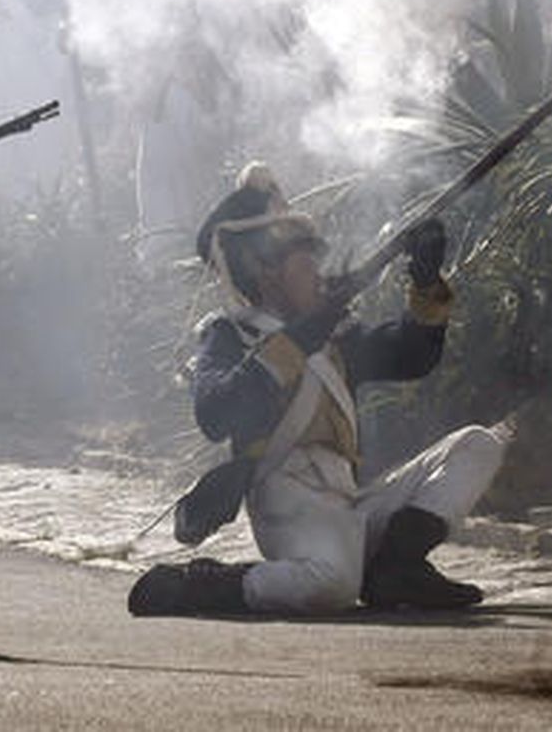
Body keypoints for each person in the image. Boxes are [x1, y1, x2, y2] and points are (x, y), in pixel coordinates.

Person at [128, 164, 505, 616]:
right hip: (287, 503)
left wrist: (424, 281)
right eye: (308, 263)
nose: (321, 274)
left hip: (350, 501)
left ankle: (396, 568)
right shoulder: (230, 335)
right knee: (330, 588)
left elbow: (412, 355)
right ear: (266, 272)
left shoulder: (335, 338)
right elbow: (215, 412)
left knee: (477, 446)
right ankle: (206, 587)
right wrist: (302, 338)